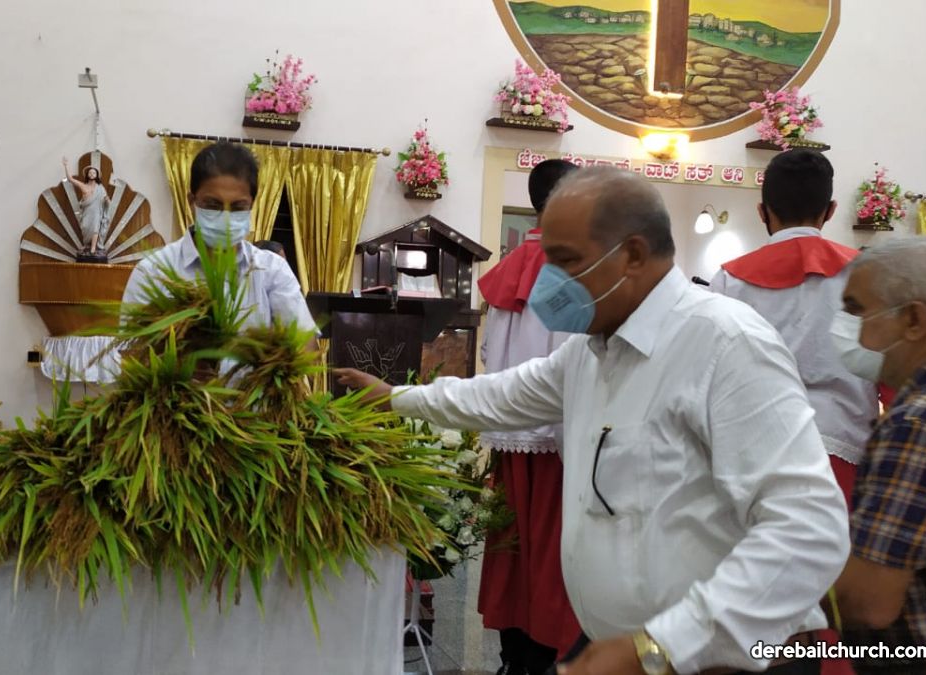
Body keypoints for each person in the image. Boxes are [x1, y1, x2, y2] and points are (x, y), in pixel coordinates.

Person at [336, 167, 849, 675]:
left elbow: (809, 528)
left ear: (632, 255)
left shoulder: (725, 343)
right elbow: (504, 394)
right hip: (623, 645)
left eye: (566, 261)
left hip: (710, 660)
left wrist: (661, 648)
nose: (548, 282)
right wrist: (396, 398)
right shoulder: (590, 350)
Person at [711, 149, 877, 508]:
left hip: (754, 448)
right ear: (830, 210)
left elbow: (708, 373)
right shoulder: (868, 275)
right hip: (844, 445)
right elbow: (890, 367)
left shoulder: (728, 280)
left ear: (762, 211)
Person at [474, 159, 580, 675]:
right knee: (553, 555)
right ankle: (546, 657)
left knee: (512, 552)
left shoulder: (512, 264)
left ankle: (513, 657)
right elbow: (576, 361)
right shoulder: (575, 271)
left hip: (509, 431)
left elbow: (489, 353)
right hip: (559, 443)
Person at [830, 237, 926, 673]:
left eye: (856, 310)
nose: (844, 328)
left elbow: (869, 602)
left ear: (914, 320)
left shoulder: (920, 422)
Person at [122, 142, 316, 344]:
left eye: (238, 207)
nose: (225, 217)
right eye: (213, 205)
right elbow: (129, 350)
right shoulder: (154, 271)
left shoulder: (272, 270)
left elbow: (306, 346)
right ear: (192, 201)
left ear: (252, 205)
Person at [63, 158, 110, 260]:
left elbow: (107, 202)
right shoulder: (83, 186)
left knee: (95, 228)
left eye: (94, 173)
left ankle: (93, 248)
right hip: (87, 212)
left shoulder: (100, 188)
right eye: (90, 173)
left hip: (97, 212)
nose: (92, 174)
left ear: (97, 175)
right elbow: (70, 179)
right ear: (87, 174)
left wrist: (106, 200)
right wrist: (66, 166)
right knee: (85, 227)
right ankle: (87, 245)